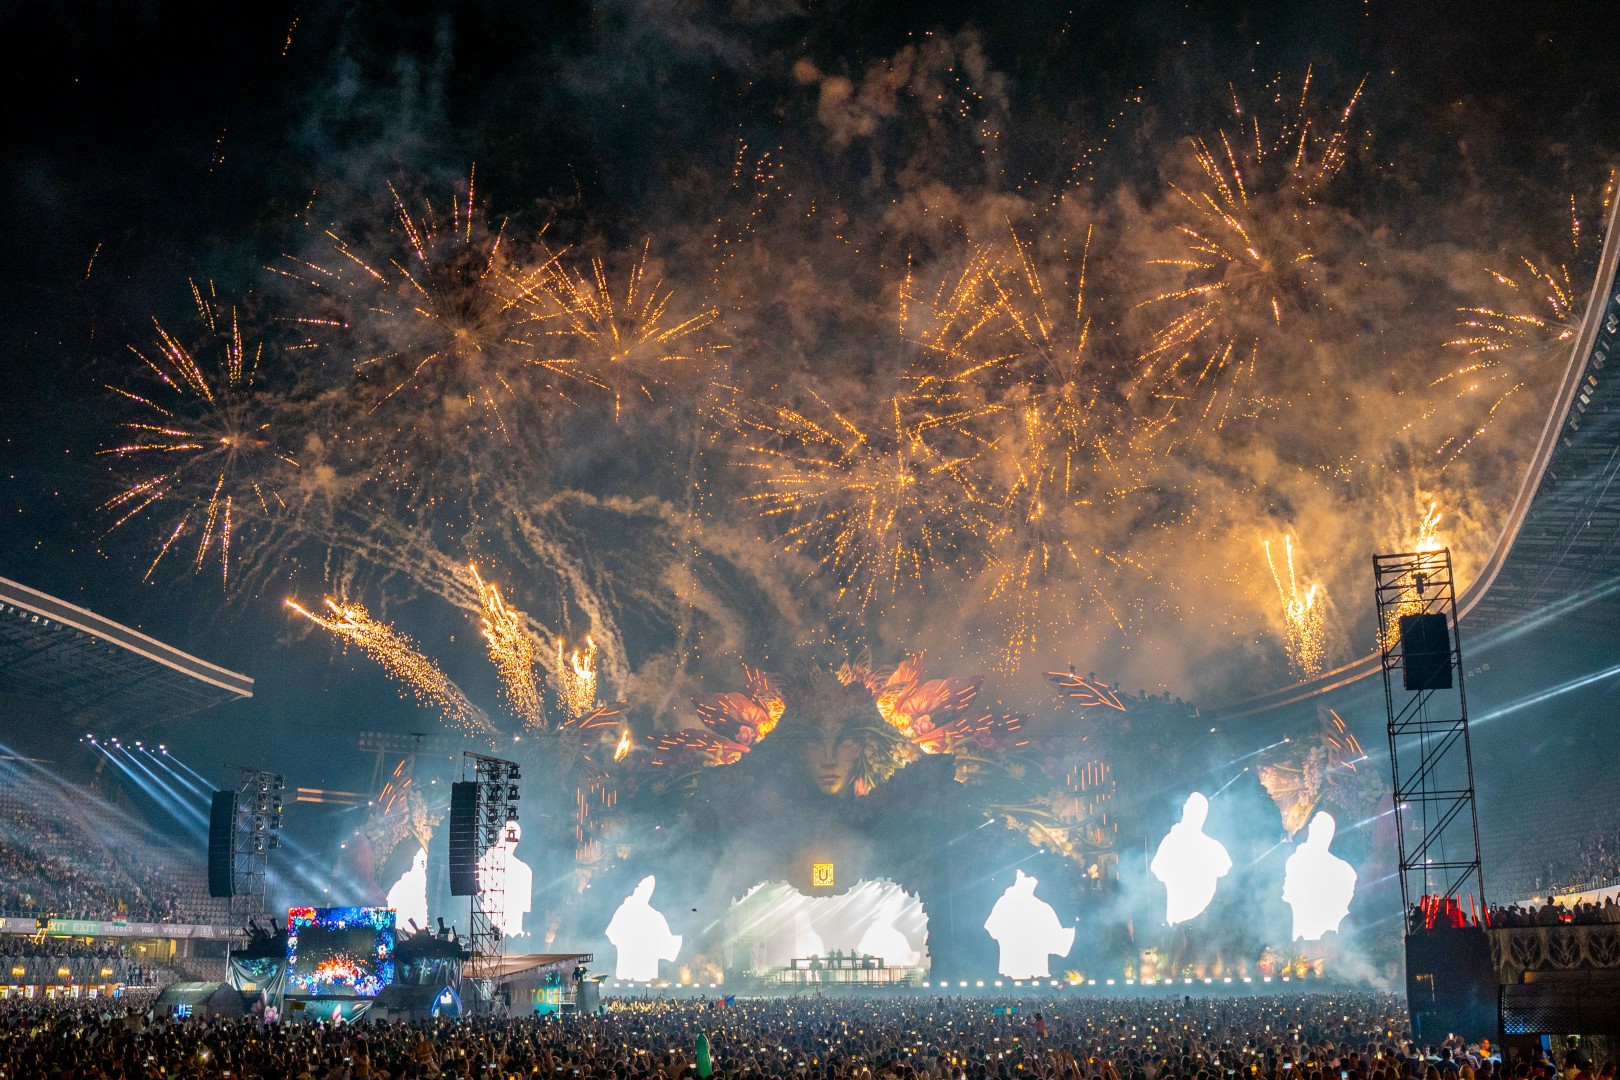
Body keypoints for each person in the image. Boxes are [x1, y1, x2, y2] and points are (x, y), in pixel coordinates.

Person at [1151, 792, 1232, 925]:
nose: (1184, 808)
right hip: (1190, 919)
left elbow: (1157, 871)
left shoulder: (1173, 841)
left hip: (1187, 920)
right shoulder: (1212, 846)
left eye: (1187, 806)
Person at [983, 869, 1075, 979]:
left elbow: (992, 928)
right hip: (1016, 969)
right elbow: (1059, 943)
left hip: (1030, 970)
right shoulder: (1040, 908)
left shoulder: (1041, 908)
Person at [1281, 812, 1357, 940]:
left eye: (1319, 831)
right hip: (1297, 935)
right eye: (1313, 829)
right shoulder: (1295, 860)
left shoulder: (1344, 870)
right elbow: (1285, 896)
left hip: (1326, 941)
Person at [606, 875, 682, 982]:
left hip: (641, 975)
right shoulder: (652, 916)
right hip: (631, 974)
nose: (637, 889)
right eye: (638, 886)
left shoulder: (654, 916)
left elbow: (667, 950)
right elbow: (612, 934)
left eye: (640, 886)